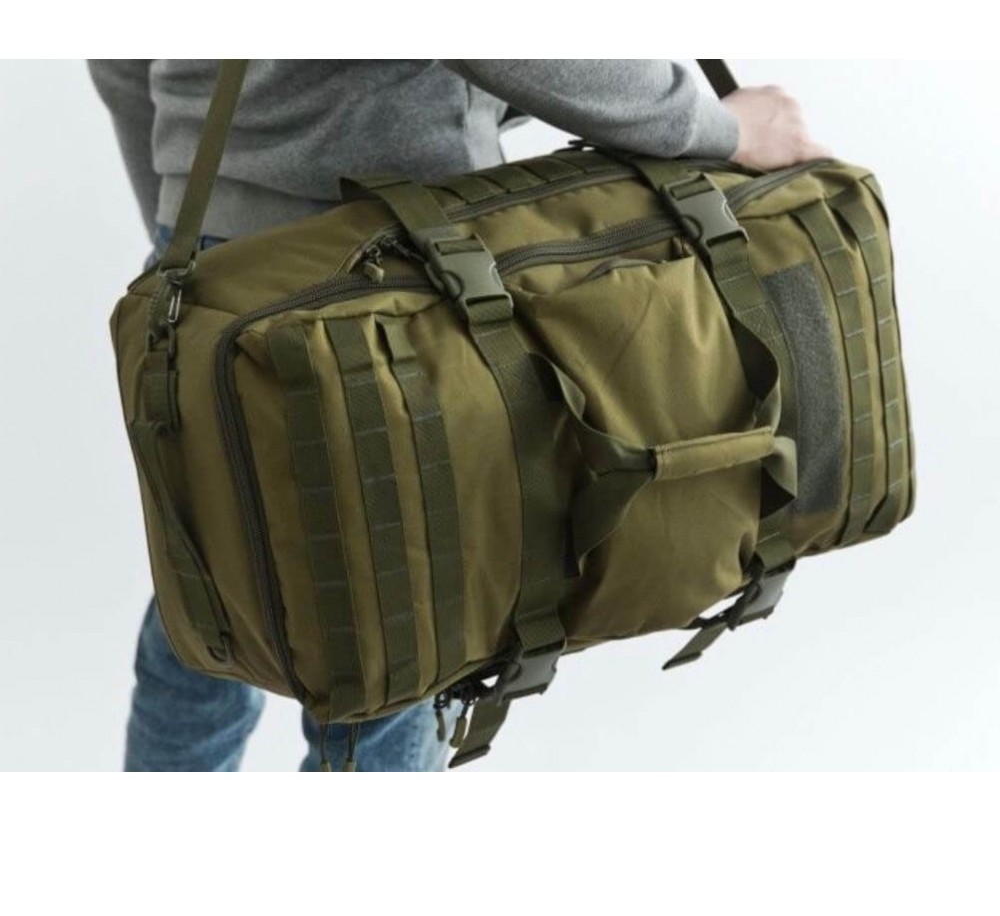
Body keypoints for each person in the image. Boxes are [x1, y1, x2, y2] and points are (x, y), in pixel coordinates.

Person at [89, 59, 827, 772]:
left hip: (213, 263)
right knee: (398, 629)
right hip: (378, 273)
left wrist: (193, 218)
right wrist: (717, 127)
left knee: (211, 587)